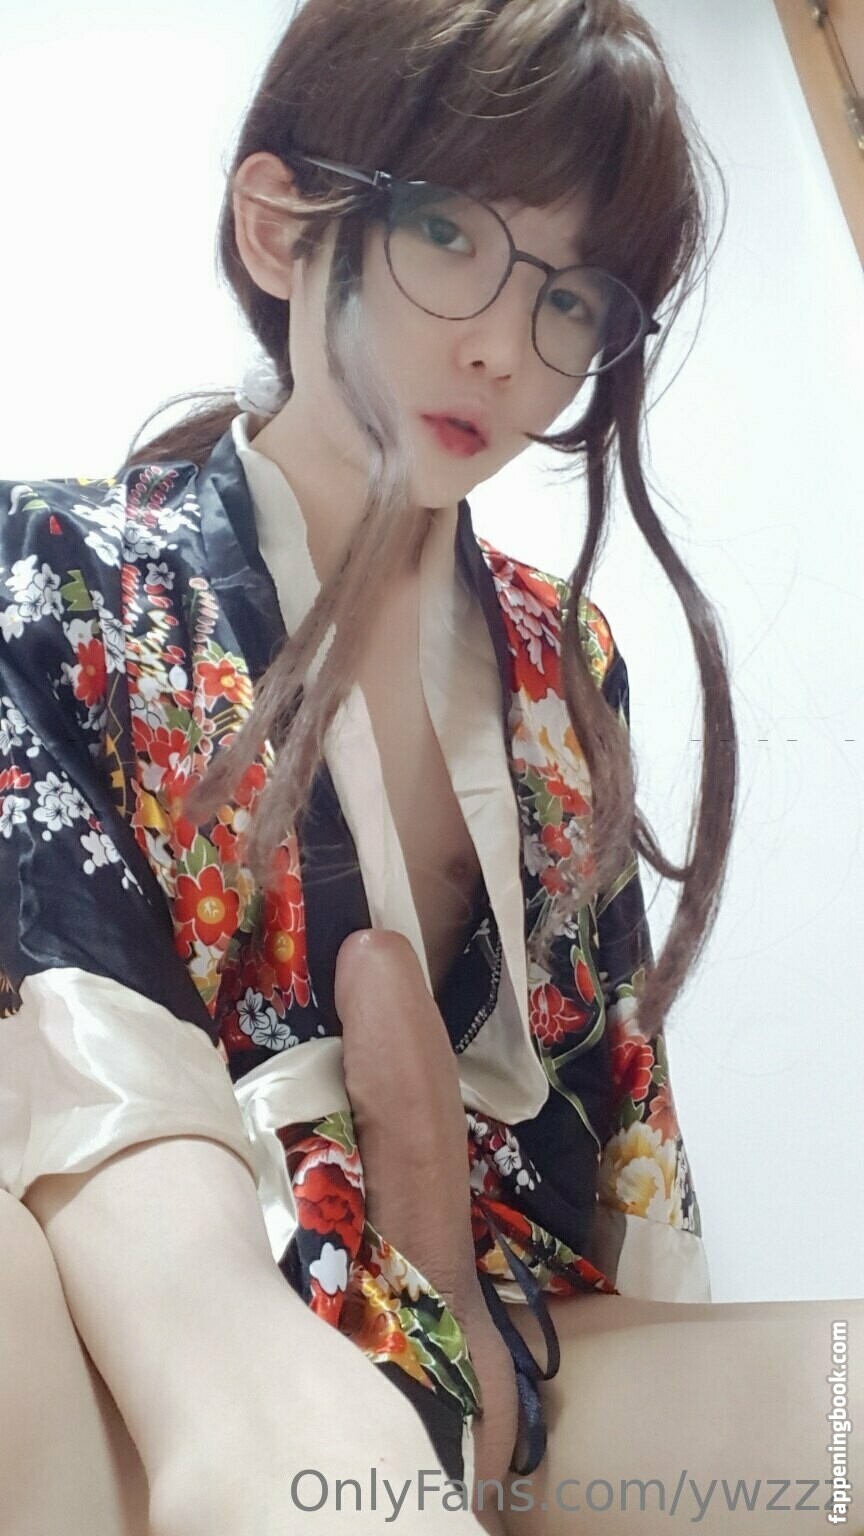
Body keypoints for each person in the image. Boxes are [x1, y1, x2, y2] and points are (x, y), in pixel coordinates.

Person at [1, 2, 860, 1534]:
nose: (506, 349)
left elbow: (620, 1142)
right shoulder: (54, 578)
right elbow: (118, 1155)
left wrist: (484, 1357)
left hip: (521, 1358)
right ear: (280, 226)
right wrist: (328, 1441)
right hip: (202, 1338)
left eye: (571, 297)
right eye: (452, 233)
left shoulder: (565, 660)